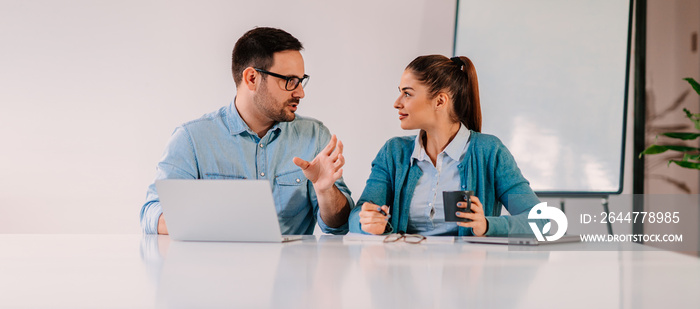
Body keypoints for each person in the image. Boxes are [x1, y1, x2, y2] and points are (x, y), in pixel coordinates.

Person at [141, 27, 354, 235]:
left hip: (293, 269)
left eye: (301, 81)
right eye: (290, 81)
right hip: (218, 268)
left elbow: (338, 226)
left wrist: (325, 191)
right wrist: (217, 225)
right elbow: (152, 213)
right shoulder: (192, 139)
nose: (300, 92)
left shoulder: (315, 137)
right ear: (252, 78)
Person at [349, 55, 541, 236]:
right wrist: (364, 221)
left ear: (440, 101)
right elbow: (355, 215)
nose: (397, 103)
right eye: (399, 93)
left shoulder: (489, 152)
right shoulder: (394, 152)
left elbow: (541, 222)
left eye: (407, 93)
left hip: (467, 270)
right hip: (403, 268)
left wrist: (487, 225)